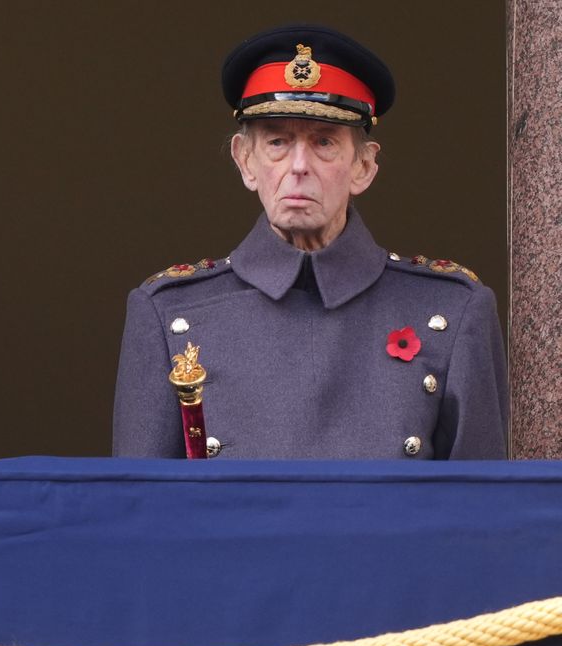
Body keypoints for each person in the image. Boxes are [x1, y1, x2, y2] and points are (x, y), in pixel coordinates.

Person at [112, 25, 508, 460]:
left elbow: (482, 516)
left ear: (364, 166)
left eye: (324, 143)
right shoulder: (168, 313)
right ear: (245, 161)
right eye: (278, 142)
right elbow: (140, 516)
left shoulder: (452, 311)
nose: (299, 166)